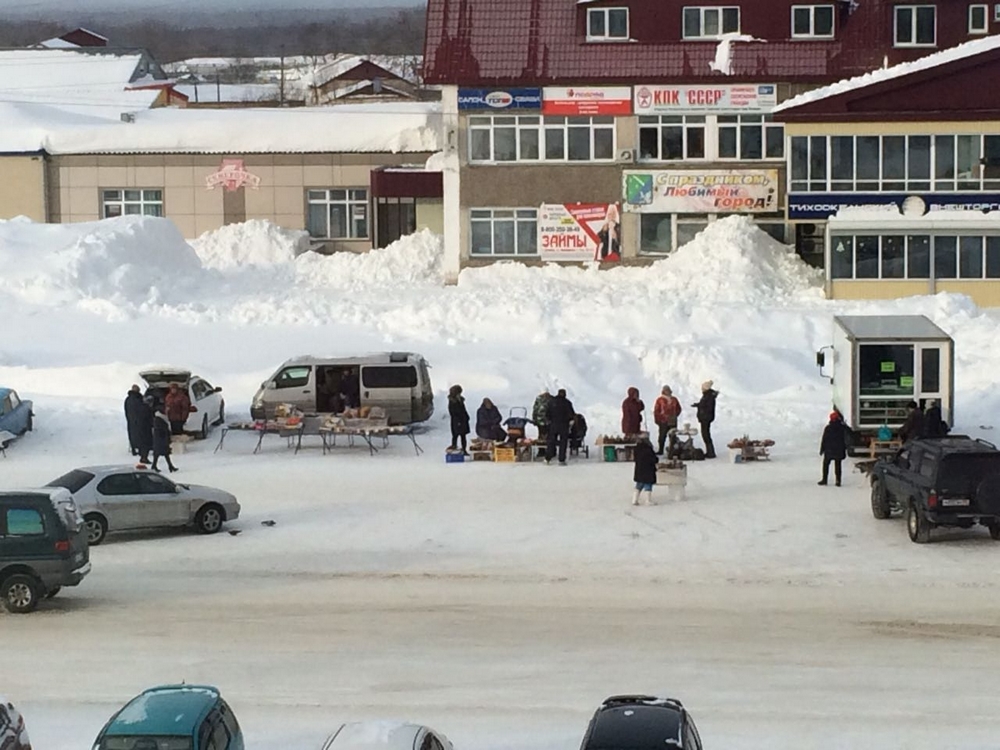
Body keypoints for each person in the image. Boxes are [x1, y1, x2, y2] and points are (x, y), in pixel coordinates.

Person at [545, 388, 575, 465]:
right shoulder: (567, 403)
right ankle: (561, 460)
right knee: (563, 443)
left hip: (553, 425)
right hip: (564, 425)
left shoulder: (551, 402)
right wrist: (570, 421)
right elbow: (571, 414)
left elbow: (547, 414)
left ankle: (548, 458)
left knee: (551, 442)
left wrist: (549, 421)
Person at [818, 411, 848, 487]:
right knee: (838, 466)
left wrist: (822, 449)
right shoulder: (842, 428)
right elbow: (846, 439)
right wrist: (845, 448)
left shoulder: (828, 428)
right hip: (839, 450)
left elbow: (824, 439)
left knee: (826, 465)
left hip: (829, 450)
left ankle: (824, 479)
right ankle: (838, 481)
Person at [653, 385, 682, 455]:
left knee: (673, 436)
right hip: (663, 421)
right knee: (662, 436)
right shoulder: (660, 400)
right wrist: (658, 419)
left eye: (668, 390)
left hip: (673, 421)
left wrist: (675, 415)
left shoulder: (674, 399)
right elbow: (656, 411)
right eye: (666, 390)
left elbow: (679, 408)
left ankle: (672, 450)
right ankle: (661, 449)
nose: (668, 392)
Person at [693, 380, 718, 459]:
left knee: (706, 435)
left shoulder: (708, 396)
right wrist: (698, 405)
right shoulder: (708, 395)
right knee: (706, 435)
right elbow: (704, 404)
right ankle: (710, 451)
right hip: (705, 417)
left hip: (706, 418)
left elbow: (707, 407)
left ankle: (711, 452)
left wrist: (700, 406)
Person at [632, 437, 658, 506]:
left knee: (639, 485)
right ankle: (648, 500)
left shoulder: (636, 449)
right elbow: (653, 459)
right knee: (648, 485)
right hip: (648, 470)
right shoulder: (648, 449)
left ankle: (634, 500)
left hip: (639, 469)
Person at [151, 405, 177, 473]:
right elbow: (161, 430)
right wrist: (166, 437)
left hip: (160, 439)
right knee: (163, 453)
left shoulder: (161, 418)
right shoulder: (159, 419)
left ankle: (169, 466)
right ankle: (170, 466)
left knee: (161, 454)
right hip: (161, 439)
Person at [124, 384, 146, 456]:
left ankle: (133, 449)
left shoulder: (127, 399)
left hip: (131, 420)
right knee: (140, 435)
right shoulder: (139, 399)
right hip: (140, 420)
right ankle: (140, 449)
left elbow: (126, 410)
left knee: (132, 435)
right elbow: (142, 409)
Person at [448, 384, 470, 454]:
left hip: (463, 420)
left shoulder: (460, 400)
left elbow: (463, 409)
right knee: (455, 435)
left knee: (463, 436)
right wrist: (458, 420)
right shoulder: (452, 402)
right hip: (456, 421)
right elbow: (453, 412)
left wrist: (466, 417)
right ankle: (454, 449)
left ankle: (464, 449)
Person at [133, 394, 155, 464]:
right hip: (146, 429)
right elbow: (149, 419)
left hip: (139, 428)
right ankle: (144, 457)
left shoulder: (140, 408)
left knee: (142, 443)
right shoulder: (147, 409)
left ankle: (143, 456)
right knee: (146, 444)